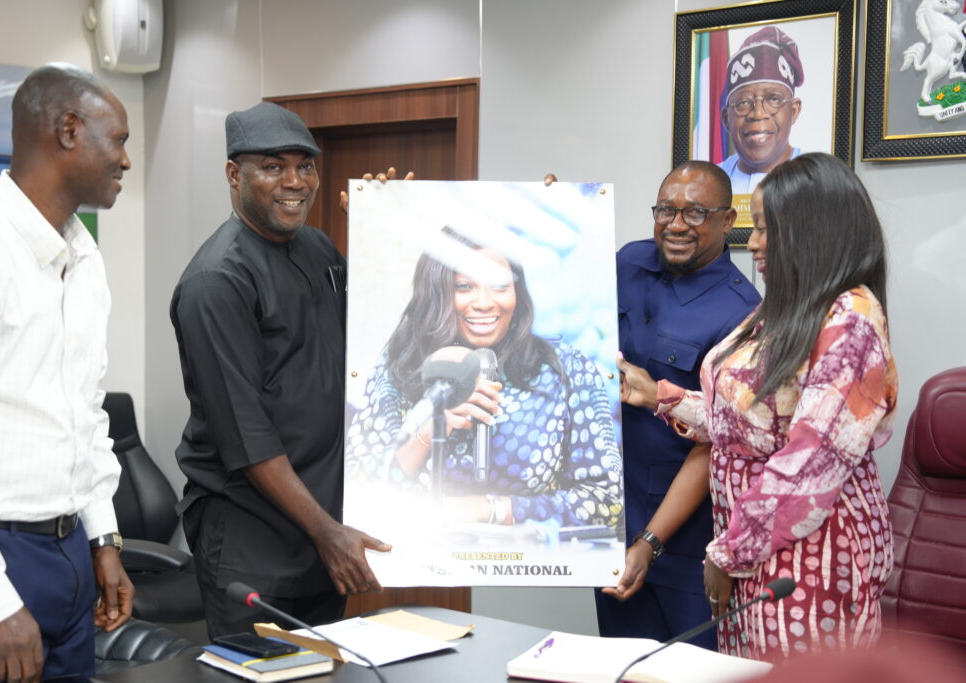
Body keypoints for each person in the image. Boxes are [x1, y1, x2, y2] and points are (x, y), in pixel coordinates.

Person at [621, 153, 897, 662]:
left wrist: (729, 554)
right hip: (755, 550)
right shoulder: (786, 308)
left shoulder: (852, 319)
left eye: (767, 229)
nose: (753, 243)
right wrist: (661, 396)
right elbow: (746, 422)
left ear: (811, 231)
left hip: (806, 560)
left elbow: (810, 466)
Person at [0, 63, 133, 682]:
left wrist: (102, 538)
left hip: (70, 553)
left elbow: (85, 415)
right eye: (118, 140)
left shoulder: (84, 255)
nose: (126, 160)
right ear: (69, 131)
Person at [171, 102, 390, 640]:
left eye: (305, 165)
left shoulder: (317, 248)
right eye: (273, 167)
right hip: (255, 545)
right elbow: (247, 436)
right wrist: (327, 532)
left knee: (321, 672)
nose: (295, 182)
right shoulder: (217, 281)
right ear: (234, 175)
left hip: (322, 534)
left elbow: (376, 339)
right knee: (261, 675)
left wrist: (387, 233)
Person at [346, 225, 622, 529]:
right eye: (464, 286)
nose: (484, 302)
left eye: (499, 286)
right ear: (438, 292)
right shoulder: (402, 364)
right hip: (420, 555)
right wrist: (432, 426)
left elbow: (606, 500)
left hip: (528, 557)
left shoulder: (564, 369)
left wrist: (489, 509)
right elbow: (359, 493)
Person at [595, 160, 760, 649]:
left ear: (727, 221)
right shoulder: (629, 262)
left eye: (695, 213)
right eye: (666, 209)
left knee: (689, 670)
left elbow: (721, 440)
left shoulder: (742, 312)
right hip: (608, 520)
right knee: (620, 665)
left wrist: (649, 542)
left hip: (683, 541)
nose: (676, 224)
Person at [718, 26, 804, 195]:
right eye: (743, 102)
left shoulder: (819, 181)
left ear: (793, 111)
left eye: (773, 99)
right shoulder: (709, 183)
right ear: (726, 119)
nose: (758, 114)